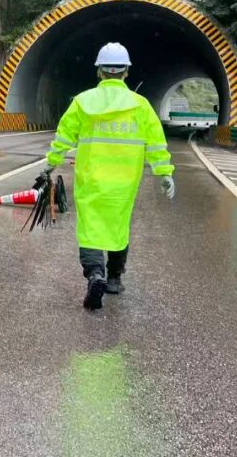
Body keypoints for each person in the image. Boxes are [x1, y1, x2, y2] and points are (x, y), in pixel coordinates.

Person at [43, 42, 175, 310]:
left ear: (99, 72)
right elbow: (156, 144)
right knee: (118, 226)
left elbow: (63, 137)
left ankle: (95, 274)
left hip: (91, 179)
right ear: (126, 72)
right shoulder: (141, 106)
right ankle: (114, 279)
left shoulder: (83, 102)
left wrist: (50, 164)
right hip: (125, 181)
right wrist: (164, 173)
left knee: (91, 228)